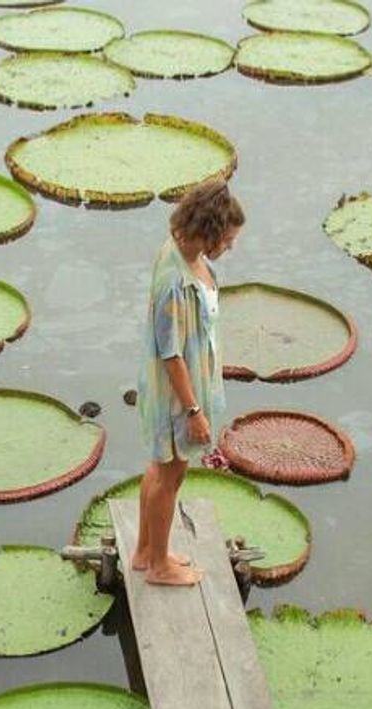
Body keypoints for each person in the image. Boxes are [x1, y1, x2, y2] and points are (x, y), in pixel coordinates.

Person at [133, 179, 245, 586]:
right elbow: (171, 353)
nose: (229, 248)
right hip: (177, 395)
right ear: (211, 230)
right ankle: (160, 567)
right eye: (228, 240)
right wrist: (194, 410)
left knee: (160, 466)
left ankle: (146, 551)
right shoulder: (175, 282)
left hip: (186, 385)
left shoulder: (181, 250)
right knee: (171, 475)